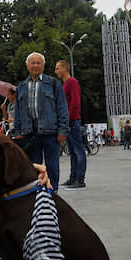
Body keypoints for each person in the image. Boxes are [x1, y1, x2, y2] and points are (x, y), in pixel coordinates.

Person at [12, 52, 68, 192]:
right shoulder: (21, 87)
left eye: (39, 62)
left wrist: (63, 130)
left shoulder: (53, 84)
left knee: (52, 166)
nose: (36, 65)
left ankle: (52, 192)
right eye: (33, 62)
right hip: (29, 134)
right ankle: (36, 192)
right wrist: (17, 131)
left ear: (43, 65)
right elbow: (17, 111)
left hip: (50, 132)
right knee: (33, 166)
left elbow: (62, 108)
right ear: (27, 66)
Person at [55, 60, 86, 189]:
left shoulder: (72, 82)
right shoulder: (64, 85)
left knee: (78, 150)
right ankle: (73, 178)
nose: (55, 71)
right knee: (72, 151)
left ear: (64, 69)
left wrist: (67, 120)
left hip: (72, 121)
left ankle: (80, 179)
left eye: (57, 68)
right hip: (67, 122)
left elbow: (75, 103)